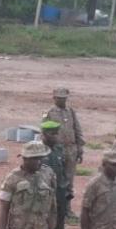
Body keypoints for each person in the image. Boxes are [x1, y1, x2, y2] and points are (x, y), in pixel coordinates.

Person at [38, 120, 70, 229]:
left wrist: (67, 191)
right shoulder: (37, 151)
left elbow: (63, 172)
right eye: (51, 133)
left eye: (56, 133)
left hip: (59, 194)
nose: (54, 136)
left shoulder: (58, 150)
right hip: (43, 196)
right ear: (43, 133)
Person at [44, 87, 84, 215]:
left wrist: (80, 148)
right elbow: (44, 132)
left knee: (69, 181)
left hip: (71, 149)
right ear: (54, 98)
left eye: (64, 98)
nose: (62, 100)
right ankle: (56, 208)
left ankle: (67, 209)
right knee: (57, 179)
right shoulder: (49, 113)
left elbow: (77, 129)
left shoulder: (71, 112)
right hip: (57, 150)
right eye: (59, 98)